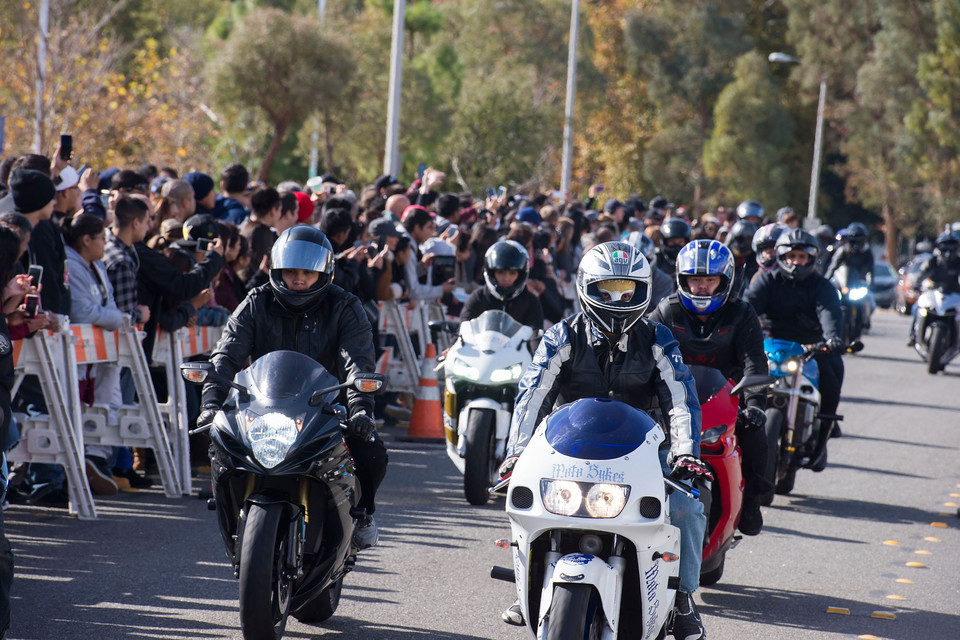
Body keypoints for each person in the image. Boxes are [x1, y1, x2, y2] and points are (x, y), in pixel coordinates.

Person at [498, 241, 709, 639]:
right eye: (607, 289)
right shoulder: (561, 335)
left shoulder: (658, 340)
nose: (617, 300)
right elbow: (533, 394)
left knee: (685, 506)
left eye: (627, 291)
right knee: (523, 500)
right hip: (567, 451)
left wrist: (685, 454)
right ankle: (525, 582)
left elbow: (681, 398)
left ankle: (681, 597)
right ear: (586, 288)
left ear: (643, 292)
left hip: (642, 453)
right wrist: (517, 453)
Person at [197, 226, 386, 549]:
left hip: (324, 409)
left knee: (371, 452)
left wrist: (360, 409)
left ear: (323, 272)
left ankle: (362, 512)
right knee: (220, 444)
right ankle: (229, 507)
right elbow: (227, 354)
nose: (298, 279)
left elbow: (357, 362)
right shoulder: (257, 301)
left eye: (307, 273)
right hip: (261, 407)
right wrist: (211, 404)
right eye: (291, 271)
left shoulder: (344, 306)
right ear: (276, 270)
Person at [649, 240, 771, 535]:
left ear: (724, 280)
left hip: (725, 398)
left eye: (709, 279)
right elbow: (644, 354)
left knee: (756, 434)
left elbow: (754, 361)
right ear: (682, 279)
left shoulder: (742, 313)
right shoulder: (666, 311)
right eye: (695, 279)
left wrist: (755, 405)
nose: (702, 287)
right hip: (671, 400)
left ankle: (752, 500)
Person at [745, 229, 844, 471]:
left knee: (833, 374)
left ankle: (822, 437)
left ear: (811, 258)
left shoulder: (822, 286)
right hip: (771, 345)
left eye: (801, 257)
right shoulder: (768, 280)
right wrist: (736, 329)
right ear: (781, 257)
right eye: (791, 256)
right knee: (740, 379)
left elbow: (830, 313)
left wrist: (832, 339)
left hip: (811, 347)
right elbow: (747, 307)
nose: (795, 262)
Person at [460, 240, 543, 329]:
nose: (506, 278)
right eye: (500, 272)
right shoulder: (478, 297)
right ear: (491, 273)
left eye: (512, 273)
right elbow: (464, 328)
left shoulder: (531, 301)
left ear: (521, 275)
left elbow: (536, 333)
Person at [906, 232, 960, 347]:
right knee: (917, 308)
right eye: (945, 249)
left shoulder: (958, 262)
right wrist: (916, 284)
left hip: (954, 295)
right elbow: (921, 274)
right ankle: (913, 335)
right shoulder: (933, 261)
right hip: (934, 293)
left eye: (952, 249)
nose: (948, 253)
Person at [825, 222, 874, 286]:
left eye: (860, 240)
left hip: (858, 284)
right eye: (853, 241)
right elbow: (833, 266)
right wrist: (825, 281)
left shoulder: (867, 252)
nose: (856, 244)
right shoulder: (843, 250)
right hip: (842, 282)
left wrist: (871, 284)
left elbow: (870, 270)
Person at [724, 220, 758, 299]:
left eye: (747, 239)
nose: (743, 243)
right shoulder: (726, 255)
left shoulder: (756, 257)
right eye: (740, 239)